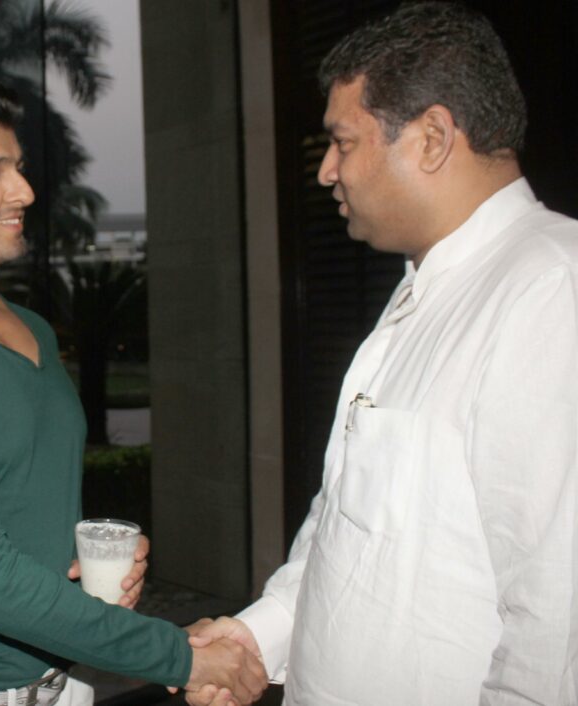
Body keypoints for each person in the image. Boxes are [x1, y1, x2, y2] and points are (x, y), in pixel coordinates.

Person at [186, 2, 578, 705]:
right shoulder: (427, 289)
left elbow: (558, 625)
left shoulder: (551, 290)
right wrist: (254, 639)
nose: (326, 172)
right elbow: (348, 526)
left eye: (342, 141)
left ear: (430, 138)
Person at [0, 75, 267, 706]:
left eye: (21, 168)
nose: (25, 191)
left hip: (65, 679)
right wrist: (180, 657)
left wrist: (95, 556)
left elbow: (23, 494)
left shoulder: (31, 328)